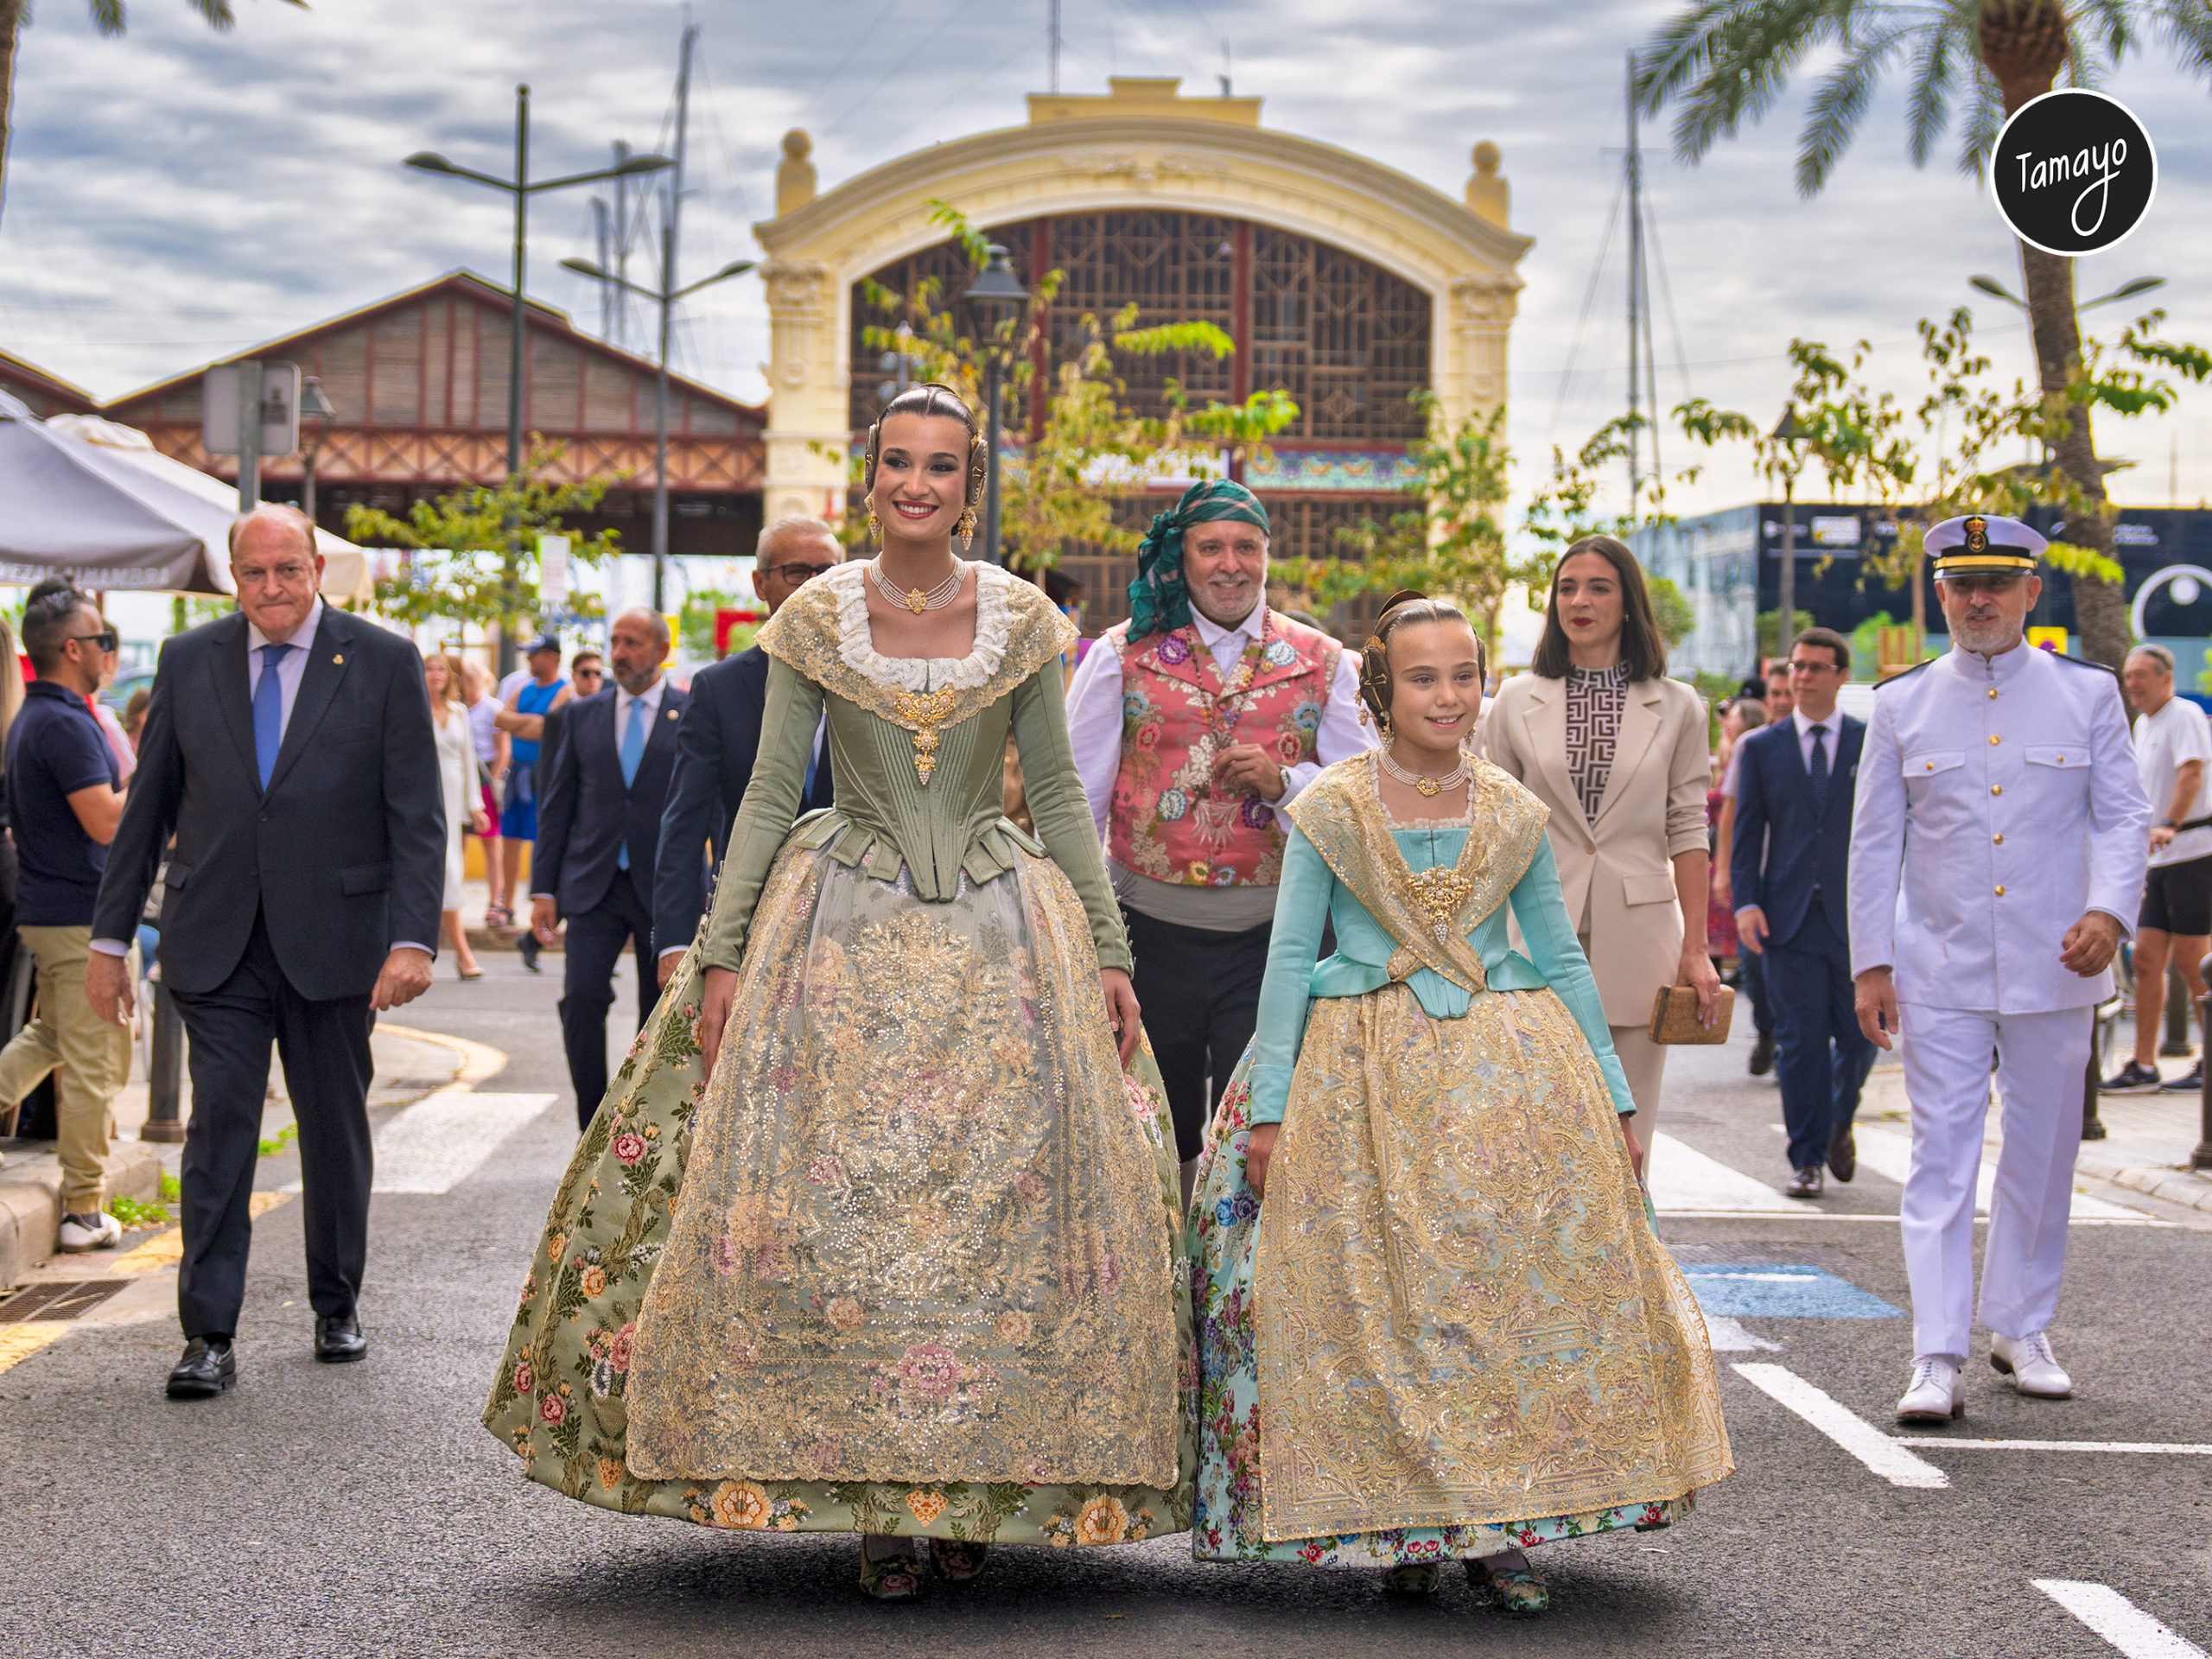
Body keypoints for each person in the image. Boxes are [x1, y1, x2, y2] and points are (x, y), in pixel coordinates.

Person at [484, 384, 1186, 1599]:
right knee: (851, 1219)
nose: (919, 484)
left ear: (972, 485)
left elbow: (1062, 797)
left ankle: (980, 1482)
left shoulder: (1021, 618)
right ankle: (879, 1507)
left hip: (1002, 943)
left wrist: (1110, 951)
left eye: (943, 466)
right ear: (870, 479)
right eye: (899, 463)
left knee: (991, 1224)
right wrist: (718, 953)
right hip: (838, 931)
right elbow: (765, 795)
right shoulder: (814, 614)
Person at [1191, 591, 1732, 1612]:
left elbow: (1563, 961)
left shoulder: (1511, 808)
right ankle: (1404, 1524)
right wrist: (1268, 1110)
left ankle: (1498, 1530)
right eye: (1422, 678)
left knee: (1499, 1300)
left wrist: (1613, 1103)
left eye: (1462, 674)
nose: (1447, 695)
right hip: (1360, 1076)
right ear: (1380, 692)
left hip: (1504, 1078)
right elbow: (1288, 960)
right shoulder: (1331, 808)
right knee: (1382, 1303)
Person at [88, 505, 446, 1400]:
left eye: (288, 570)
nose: (273, 589)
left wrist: (412, 938)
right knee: (219, 1136)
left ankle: (337, 1302)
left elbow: (417, 815)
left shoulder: (384, 662)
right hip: (218, 943)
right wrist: (107, 938)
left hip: (337, 944)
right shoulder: (189, 660)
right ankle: (207, 1332)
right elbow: (148, 811)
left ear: (316, 566)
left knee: (332, 1132)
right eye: (255, 574)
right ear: (233, 578)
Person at [1851, 515, 2148, 1424]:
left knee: (2041, 1152)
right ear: (1939, 594)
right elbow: (1874, 841)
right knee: (1938, 1158)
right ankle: (1933, 1353)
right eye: (1960, 584)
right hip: (1938, 964)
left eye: (1995, 583)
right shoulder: (1900, 705)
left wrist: (2108, 912)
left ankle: (2021, 1327)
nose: (1977, 600)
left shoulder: (2087, 695)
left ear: (2028, 592)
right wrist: (1872, 962)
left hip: (2055, 966)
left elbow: (2122, 816)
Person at [1063, 477, 1370, 1198]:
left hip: (1276, 944)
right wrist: (1086, 932)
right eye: (1211, 547)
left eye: (1246, 547)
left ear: (1267, 554)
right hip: (1147, 937)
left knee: (1257, 1138)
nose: (1230, 563)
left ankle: (1238, 1303)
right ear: (1183, 556)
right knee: (1150, 1139)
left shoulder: (1326, 663)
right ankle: (1158, 1295)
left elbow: (1363, 803)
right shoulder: (1120, 656)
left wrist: (1288, 784)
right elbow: (1075, 800)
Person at [1484, 535, 1721, 1141]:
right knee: (1537, 1127)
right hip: (1533, 934)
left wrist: (1697, 948)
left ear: (1627, 602)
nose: (1579, 600)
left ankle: (1630, 1238)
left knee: (1627, 1131)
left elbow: (1689, 830)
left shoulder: (1680, 706)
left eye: (1598, 587)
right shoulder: (1514, 701)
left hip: (1640, 937)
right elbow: (1494, 827)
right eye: (1566, 588)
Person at [0, 582, 132, 1251]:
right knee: (90, 1062)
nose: (110, 652)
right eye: (103, 640)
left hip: (53, 910)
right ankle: (84, 1207)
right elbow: (107, 822)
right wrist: (156, 765)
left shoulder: (36, 716)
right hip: (79, 916)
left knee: (52, 1038)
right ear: (73, 648)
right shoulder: (66, 724)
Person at [652, 517, 840, 983]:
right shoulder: (719, 689)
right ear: (761, 583)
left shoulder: (873, 680)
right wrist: (675, 940)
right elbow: (686, 822)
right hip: (750, 927)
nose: (815, 586)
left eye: (829, 572)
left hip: (852, 919)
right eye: (798, 572)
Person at [1731, 627, 1876, 1198]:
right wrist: (1745, 901)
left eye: (1817, 667)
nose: (1805, 676)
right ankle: (1807, 1157)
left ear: (1842, 675)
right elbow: (1747, 834)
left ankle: (1841, 1117)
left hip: (1856, 917)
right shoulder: (1763, 748)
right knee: (1800, 1042)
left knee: (1861, 1037)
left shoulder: (1871, 741)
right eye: (1798, 666)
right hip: (1786, 917)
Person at [530, 615, 687, 1128]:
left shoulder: (688, 713)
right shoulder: (582, 716)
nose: (620, 653)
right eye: (615, 643)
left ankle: (643, 1127)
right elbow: (558, 805)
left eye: (632, 644)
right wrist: (543, 889)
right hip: (592, 884)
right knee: (581, 999)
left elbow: (709, 808)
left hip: (664, 888)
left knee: (658, 1012)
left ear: (661, 650)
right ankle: (592, 1125)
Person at [2104, 643, 2212, 1095]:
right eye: (2128, 676)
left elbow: (2192, 772)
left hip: (2192, 853)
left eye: (2141, 675)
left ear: (2166, 678)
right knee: (2147, 961)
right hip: (2159, 860)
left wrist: (2169, 822)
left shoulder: (2182, 714)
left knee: (2194, 963)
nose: (2132, 684)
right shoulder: (2144, 723)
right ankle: (2144, 1065)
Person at [493, 632, 569, 930]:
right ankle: (507, 904)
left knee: (542, 841)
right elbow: (500, 719)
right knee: (510, 839)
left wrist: (521, 722)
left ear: (552, 657)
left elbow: (545, 728)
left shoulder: (565, 690)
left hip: (544, 774)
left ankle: (540, 903)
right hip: (519, 773)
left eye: (535, 653)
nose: (529, 659)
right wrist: (529, 722)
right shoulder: (524, 688)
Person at [425, 650, 488, 981]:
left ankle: (446, 951)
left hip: (452, 801)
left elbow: (468, 760)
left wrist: (475, 805)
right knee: (441, 872)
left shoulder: (459, 712)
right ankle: (463, 953)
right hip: (422, 799)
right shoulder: (413, 709)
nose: (435, 674)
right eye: (429, 668)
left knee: (451, 871)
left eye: (441, 669)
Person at [1707, 697, 1766, 968]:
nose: (1728, 721)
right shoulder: (1734, 749)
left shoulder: (1752, 750)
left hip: (1730, 847)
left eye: (1735, 716)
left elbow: (1730, 807)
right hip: (1720, 846)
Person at [461, 659, 511, 927]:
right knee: (459, 842)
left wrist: (493, 781)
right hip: (462, 781)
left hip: (484, 780)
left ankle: (496, 900)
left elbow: (504, 749)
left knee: (491, 843)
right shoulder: (459, 709)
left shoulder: (492, 708)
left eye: (471, 681)